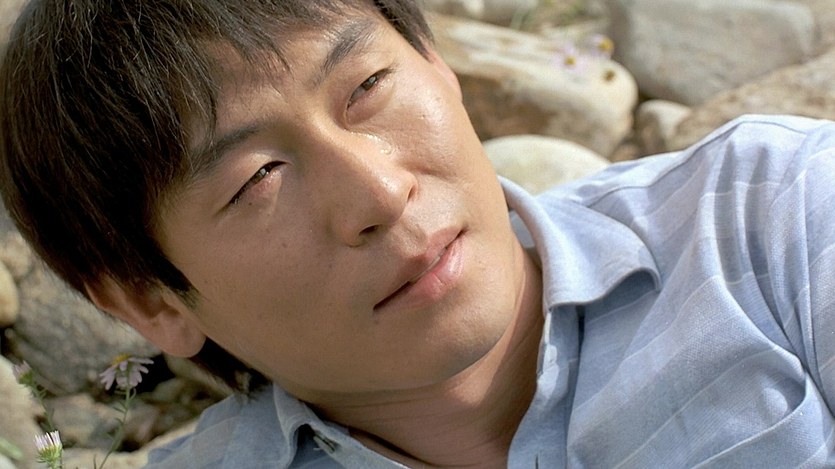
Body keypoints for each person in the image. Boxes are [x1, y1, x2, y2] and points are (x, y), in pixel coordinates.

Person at [1, 0, 834, 467]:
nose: (379, 192)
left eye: (366, 85)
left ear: (437, 64)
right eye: (257, 177)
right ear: (148, 300)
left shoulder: (765, 212)